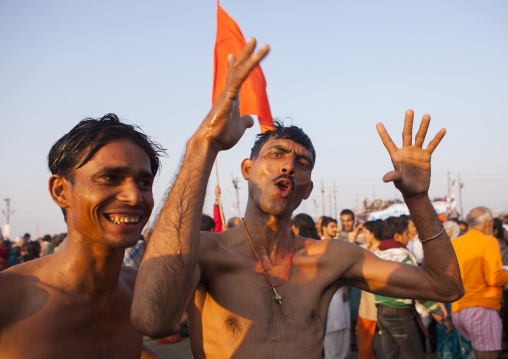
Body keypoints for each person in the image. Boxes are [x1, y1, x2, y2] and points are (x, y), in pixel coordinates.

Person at [131, 38, 464, 359]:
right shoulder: (207, 252)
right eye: (276, 153)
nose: (289, 165)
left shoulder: (331, 259)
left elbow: (445, 287)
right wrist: (202, 146)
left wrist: (417, 198)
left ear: (307, 188)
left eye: (301, 162)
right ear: (248, 168)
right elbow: (153, 319)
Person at [0, 114, 164, 358]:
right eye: (110, 178)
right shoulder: (10, 297)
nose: (134, 196)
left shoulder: (139, 291)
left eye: (144, 182)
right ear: (61, 191)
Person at [374, 216, 453, 359]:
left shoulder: (377, 254)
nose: (408, 239)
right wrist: (436, 310)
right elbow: (417, 290)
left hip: (382, 313)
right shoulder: (404, 257)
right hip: (400, 315)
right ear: (397, 236)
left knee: (390, 355)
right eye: (405, 234)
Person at [451, 207, 508, 358]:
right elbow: (494, 277)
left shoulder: (456, 243)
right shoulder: (489, 241)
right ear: (488, 224)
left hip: (459, 310)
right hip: (481, 309)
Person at [322, 216, 351, 359]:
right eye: (332, 226)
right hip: (328, 296)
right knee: (331, 330)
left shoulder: (338, 244)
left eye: (335, 226)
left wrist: (345, 288)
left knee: (343, 327)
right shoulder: (318, 245)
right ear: (324, 228)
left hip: (341, 294)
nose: (335, 229)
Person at [357, 220, 385, 359]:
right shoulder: (362, 248)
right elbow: (348, 246)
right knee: (365, 343)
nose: (363, 235)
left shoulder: (384, 251)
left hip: (381, 301)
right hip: (366, 304)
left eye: (365, 232)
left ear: (373, 234)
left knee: (388, 344)